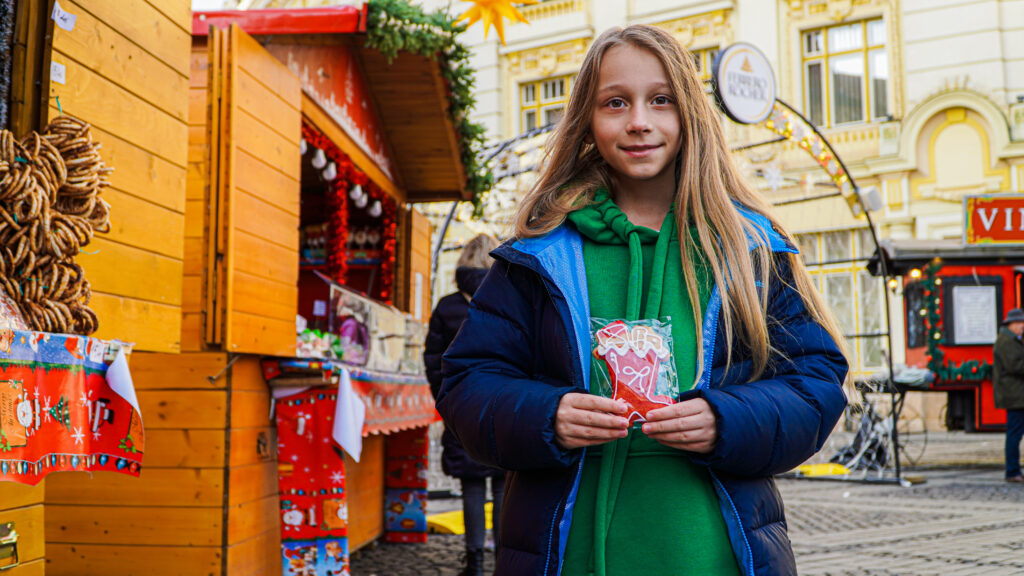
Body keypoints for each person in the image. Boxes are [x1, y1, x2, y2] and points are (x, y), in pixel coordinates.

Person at [436, 25, 849, 576]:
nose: (638, 121)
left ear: (690, 115)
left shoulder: (747, 248)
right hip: (570, 555)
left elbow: (816, 380)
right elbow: (467, 384)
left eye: (661, 100)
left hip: (713, 555)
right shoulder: (536, 257)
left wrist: (726, 418)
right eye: (615, 102)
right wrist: (547, 415)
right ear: (587, 118)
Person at [424, 234, 506, 576]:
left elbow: (433, 363)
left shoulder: (447, 306)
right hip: (505, 406)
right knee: (504, 486)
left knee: (471, 486)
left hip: (463, 407)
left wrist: (447, 406)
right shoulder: (509, 298)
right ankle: (504, 563)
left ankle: (473, 563)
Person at [992, 307, 1024, 483]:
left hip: (1017, 394)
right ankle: (1012, 471)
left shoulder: (1011, 340)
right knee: (1014, 434)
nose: (1022, 327)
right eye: (1019, 323)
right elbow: (1015, 366)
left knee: (1015, 433)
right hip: (1015, 395)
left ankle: (1014, 470)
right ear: (1011, 324)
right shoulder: (1006, 341)